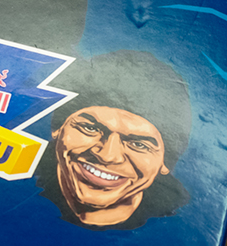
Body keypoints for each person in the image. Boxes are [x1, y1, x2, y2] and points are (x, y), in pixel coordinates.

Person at [38, 52, 192, 230]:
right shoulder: (17, 185)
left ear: (165, 162)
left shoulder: (180, 229)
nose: (107, 156)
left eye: (139, 145)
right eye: (90, 128)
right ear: (58, 128)